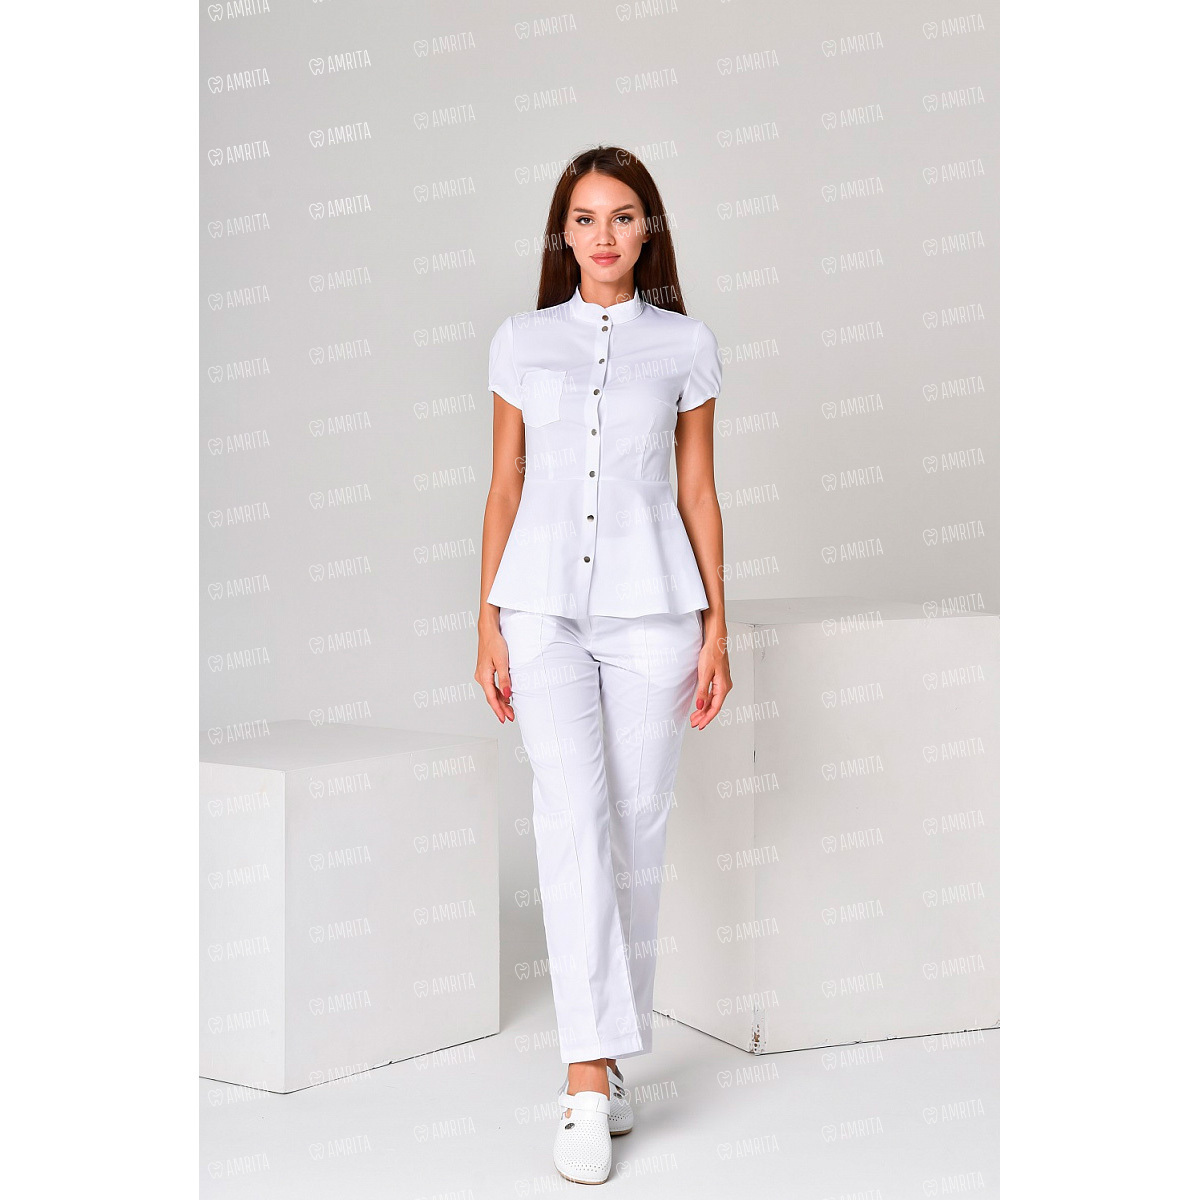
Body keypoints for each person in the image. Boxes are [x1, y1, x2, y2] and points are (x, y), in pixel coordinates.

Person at [475, 145, 732, 1186]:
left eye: (622, 216)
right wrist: (486, 620)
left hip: (654, 613)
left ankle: (612, 1061)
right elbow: (504, 486)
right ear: (564, 234)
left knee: (634, 830)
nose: (604, 236)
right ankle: (585, 1081)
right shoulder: (522, 341)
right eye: (584, 219)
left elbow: (698, 490)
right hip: (539, 609)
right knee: (569, 817)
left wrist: (717, 628)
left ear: (647, 229)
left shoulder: (686, 345)